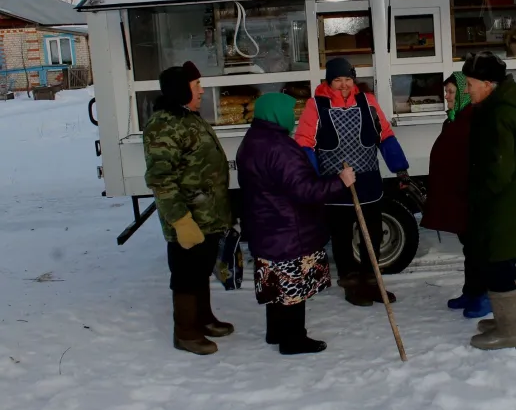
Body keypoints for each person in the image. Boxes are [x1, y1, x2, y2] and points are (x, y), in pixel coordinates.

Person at [236, 92, 357, 355]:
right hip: (288, 228)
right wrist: (341, 181)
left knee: (276, 283)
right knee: (293, 285)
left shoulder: (252, 140)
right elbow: (305, 191)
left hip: (265, 226)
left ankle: (276, 332)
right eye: (290, 110)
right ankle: (293, 340)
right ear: (276, 113)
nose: (294, 116)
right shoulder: (279, 147)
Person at [294, 58, 410, 306]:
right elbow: (305, 143)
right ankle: (350, 284)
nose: (344, 85)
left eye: (348, 79)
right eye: (338, 80)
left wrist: (400, 168)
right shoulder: (316, 105)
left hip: (367, 180)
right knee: (342, 236)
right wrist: (312, 179)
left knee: (374, 234)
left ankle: (371, 282)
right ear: (329, 81)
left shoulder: (367, 102)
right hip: (335, 184)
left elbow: (385, 135)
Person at [143, 61, 234, 356]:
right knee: (185, 273)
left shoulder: (187, 117)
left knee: (201, 269)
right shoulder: (164, 125)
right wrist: (180, 220)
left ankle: (203, 318)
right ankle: (185, 332)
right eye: (196, 87)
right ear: (181, 90)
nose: (202, 91)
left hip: (206, 215)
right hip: (187, 217)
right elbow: (161, 179)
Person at [461, 52, 516, 350]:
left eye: (470, 84)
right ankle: (512, 322)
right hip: (505, 206)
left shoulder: (501, 114)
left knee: (498, 267)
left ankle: (510, 333)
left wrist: (475, 196)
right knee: (506, 265)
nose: (467, 90)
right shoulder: (498, 109)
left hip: (502, 208)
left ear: (489, 84)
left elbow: (498, 171)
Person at [420, 72, 490, 319]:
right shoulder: (453, 118)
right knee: (468, 248)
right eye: (446, 92)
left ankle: (484, 296)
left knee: (478, 248)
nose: (447, 97)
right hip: (457, 197)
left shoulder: (474, 119)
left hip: (470, 197)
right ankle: (470, 291)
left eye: (451, 92)